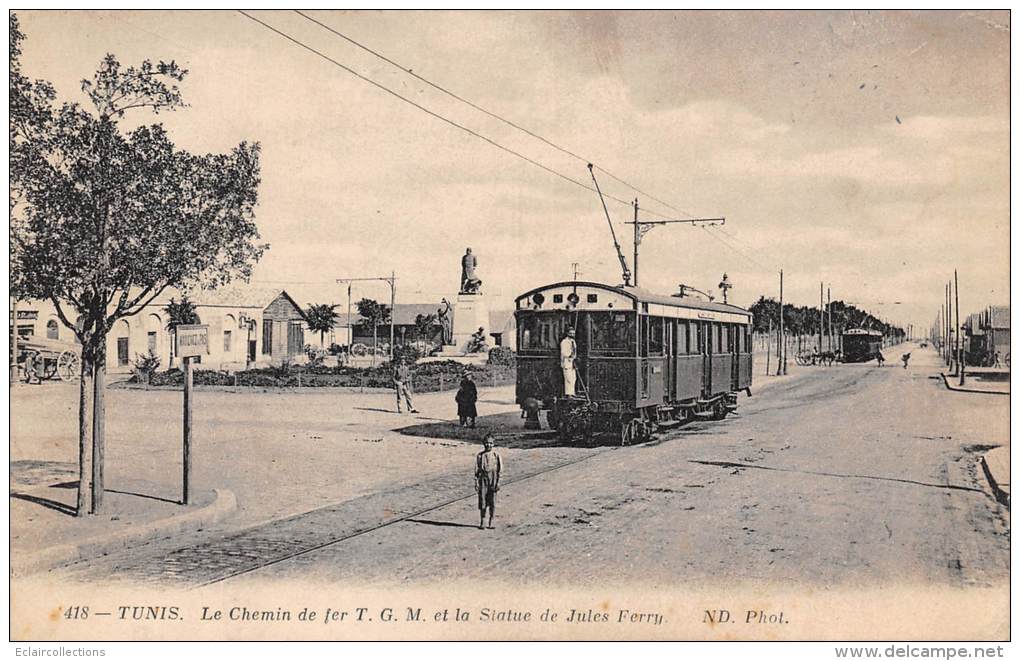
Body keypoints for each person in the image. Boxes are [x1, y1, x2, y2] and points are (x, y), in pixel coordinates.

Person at [475, 434, 502, 530]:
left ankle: (492, 520)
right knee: (482, 500)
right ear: (483, 444)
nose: (488, 445)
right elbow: (476, 470)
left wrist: (498, 482)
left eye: (490, 443)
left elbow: (500, 469)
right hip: (483, 478)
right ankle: (483, 520)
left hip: (493, 478)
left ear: (493, 444)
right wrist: (476, 482)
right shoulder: (480, 455)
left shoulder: (496, 455)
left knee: (492, 501)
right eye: (486, 443)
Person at [560, 327, 577, 396]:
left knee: (573, 377)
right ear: (567, 333)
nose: (572, 335)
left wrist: (574, 356)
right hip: (566, 361)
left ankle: (572, 392)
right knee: (568, 378)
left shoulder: (573, 342)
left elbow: (575, 351)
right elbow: (563, 352)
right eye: (571, 333)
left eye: (573, 333)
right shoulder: (564, 342)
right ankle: (568, 394)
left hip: (572, 361)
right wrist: (570, 354)